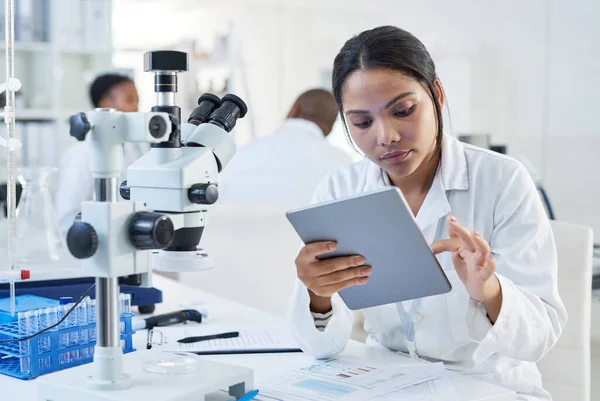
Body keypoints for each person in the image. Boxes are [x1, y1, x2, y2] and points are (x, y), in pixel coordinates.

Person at [288, 26, 567, 401]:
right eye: (362, 122)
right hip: (385, 383)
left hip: (489, 386)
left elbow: (540, 336)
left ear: (436, 94)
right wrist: (317, 294)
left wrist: (489, 290)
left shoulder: (502, 181)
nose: (385, 136)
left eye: (402, 111)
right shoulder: (339, 190)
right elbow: (322, 347)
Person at [217, 89, 352, 206]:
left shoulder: (240, 153)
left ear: (294, 110)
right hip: (305, 235)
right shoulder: (342, 163)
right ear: (330, 127)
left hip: (232, 232)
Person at [55, 73, 147, 236]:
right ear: (105, 104)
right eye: (130, 100)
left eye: (137, 101)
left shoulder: (135, 145)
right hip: (97, 242)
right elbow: (67, 217)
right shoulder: (83, 153)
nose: (136, 108)